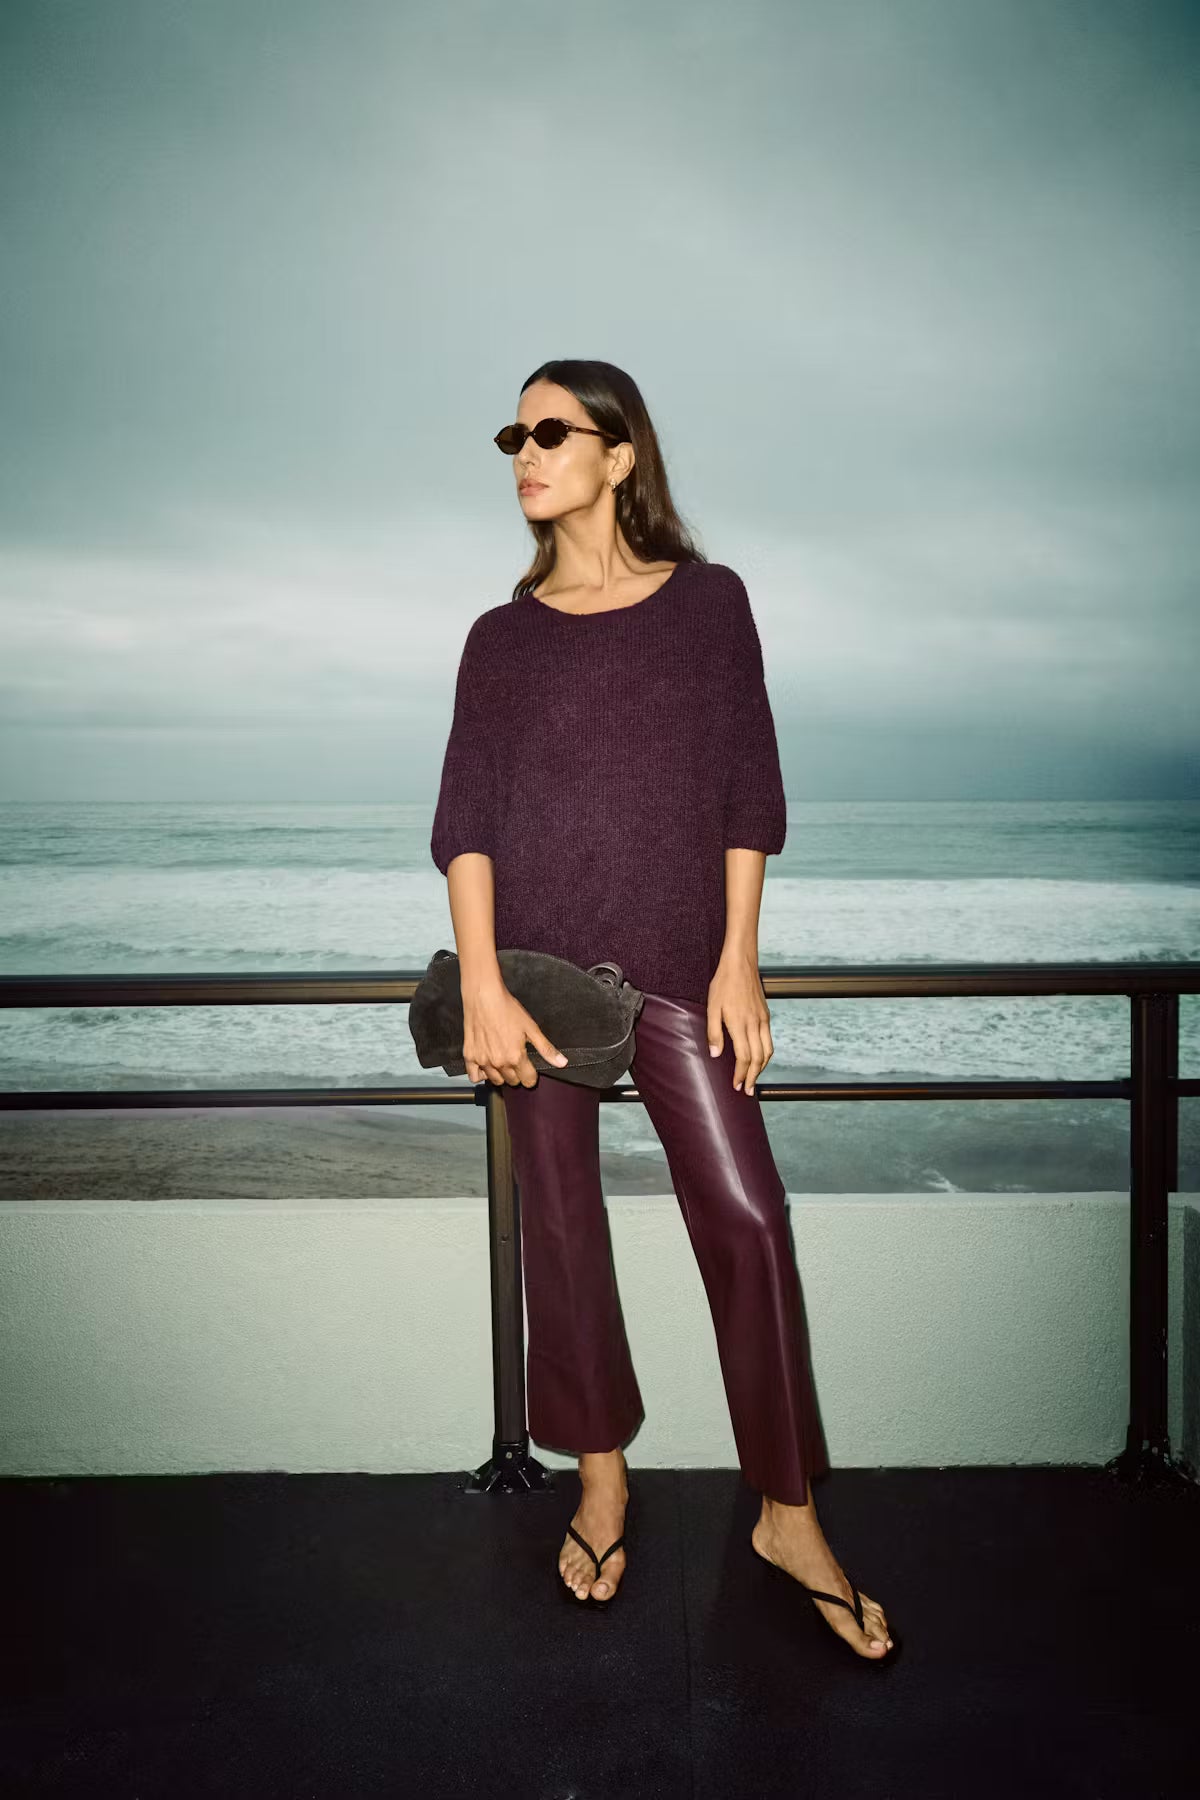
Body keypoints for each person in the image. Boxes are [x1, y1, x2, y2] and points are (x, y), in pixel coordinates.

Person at [430, 359, 893, 1661]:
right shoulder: (499, 639)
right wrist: (477, 978)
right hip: (535, 985)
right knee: (564, 1238)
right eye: (513, 433)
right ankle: (601, 1480)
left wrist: (742, 959)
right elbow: (465, 822)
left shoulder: (708, 607)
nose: (525, 451)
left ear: (620, 454)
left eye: (552, 430)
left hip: (683, 972)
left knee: (747, 1220)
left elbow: (748, 788)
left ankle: (787, 1514)